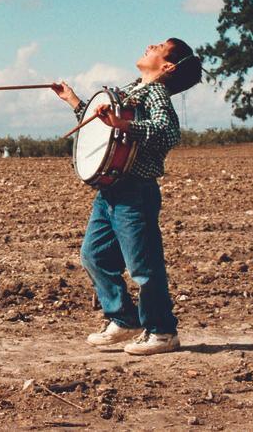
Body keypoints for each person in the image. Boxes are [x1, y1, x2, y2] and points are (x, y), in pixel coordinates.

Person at [51, 38, 201, 356]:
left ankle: (162, 331)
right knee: (94, 256)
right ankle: (123, 318)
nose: (150, 44)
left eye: (159, 46)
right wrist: (75, 102)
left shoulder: (156, 93)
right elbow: (106, 129)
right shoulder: (133, 90)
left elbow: (168, 131)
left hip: (135, 190)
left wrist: (124, 124)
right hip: (111, 190)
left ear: (167, 66)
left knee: (143, 267)